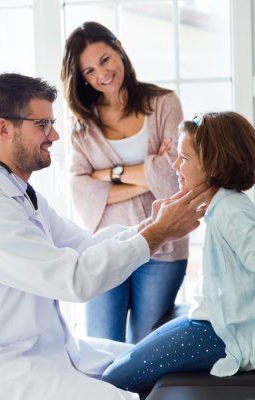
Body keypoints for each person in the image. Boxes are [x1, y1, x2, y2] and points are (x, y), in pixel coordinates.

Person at [0, 72, 210, 400]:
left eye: (52, 123)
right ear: (3, 128)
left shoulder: (20, 193)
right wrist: (158, 233)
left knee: (147, 361)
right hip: (10, 369)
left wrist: (151, 224)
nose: (54, 135)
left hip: (57, 350)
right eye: (41, 124)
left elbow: (86, 245)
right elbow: (74, 279)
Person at [101, 111, 255, 393]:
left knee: (113, 381)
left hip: (218, 334)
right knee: (118, 368)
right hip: (205, 321)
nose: (174, 166)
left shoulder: (232, 212)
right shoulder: (224, 206)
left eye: (184, 158)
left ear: (213, 164)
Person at [61, 21, 188, 344]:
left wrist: (109, 175)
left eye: (104, 59)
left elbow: (176, 179)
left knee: (146, 350)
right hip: (107, 246)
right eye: (88, 71)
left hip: (163, 246)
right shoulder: (82, 125)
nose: (101, 74)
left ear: (118, 46)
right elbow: (80, 189)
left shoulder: (164, 104)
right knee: (102, 347)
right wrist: (150, 174)